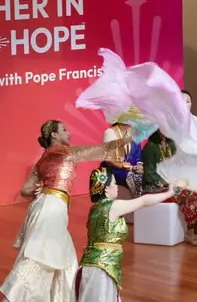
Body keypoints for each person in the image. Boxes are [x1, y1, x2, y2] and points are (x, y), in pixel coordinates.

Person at [0, 120, 129, 302]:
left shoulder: (44, 158)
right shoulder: (64, 152)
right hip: (50, 209)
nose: (69, 133)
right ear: (53, 135)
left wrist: (40, 187)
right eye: (64, 129)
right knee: (39, 260)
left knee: (67, 263)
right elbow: (100, 150)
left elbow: (25, 190)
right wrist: (129, 136)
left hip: (44, 207)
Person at [74, 168, 186, 301]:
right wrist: (170, 192)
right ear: (105, 189)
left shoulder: (95, 209)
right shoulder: (112, 207)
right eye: (114, 183)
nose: (117, 187)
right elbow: (144, 201)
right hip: (100, 271)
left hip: (92, 268)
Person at [142, 130, 197, 245]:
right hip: (154, 187)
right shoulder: (150, 146)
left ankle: (196, 230)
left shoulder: (170, 145)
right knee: (188, 195)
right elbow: (149, 174)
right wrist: (167, 183)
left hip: (171, 183)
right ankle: (189, 233)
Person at [101, 121, 144, 197]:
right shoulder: (110, 133)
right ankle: (135, 204)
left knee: (147, 175)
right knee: (136, 178)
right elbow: (109, 160)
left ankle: (141, 205)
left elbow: (139, 155)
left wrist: (139, 165)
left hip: (132, 168)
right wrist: (123, 166)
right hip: (115, 169)